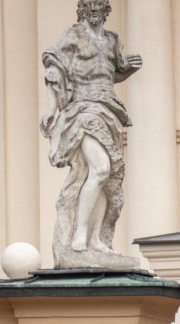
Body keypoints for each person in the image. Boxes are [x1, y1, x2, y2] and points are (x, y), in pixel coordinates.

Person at [40, 0, 141, 261]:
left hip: (109, 109)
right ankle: (79, 235)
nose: (94, 8)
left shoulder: (112, 39)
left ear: (107, 9)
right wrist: (52, 108)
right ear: (82, 8)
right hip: (83, 109)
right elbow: (54, 69)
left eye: (99, 4)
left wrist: (127, 70)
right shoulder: (72, 35)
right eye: (89, 4)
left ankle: (96, 239)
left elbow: (111, 73)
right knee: (101, 168)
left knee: (107, 178)